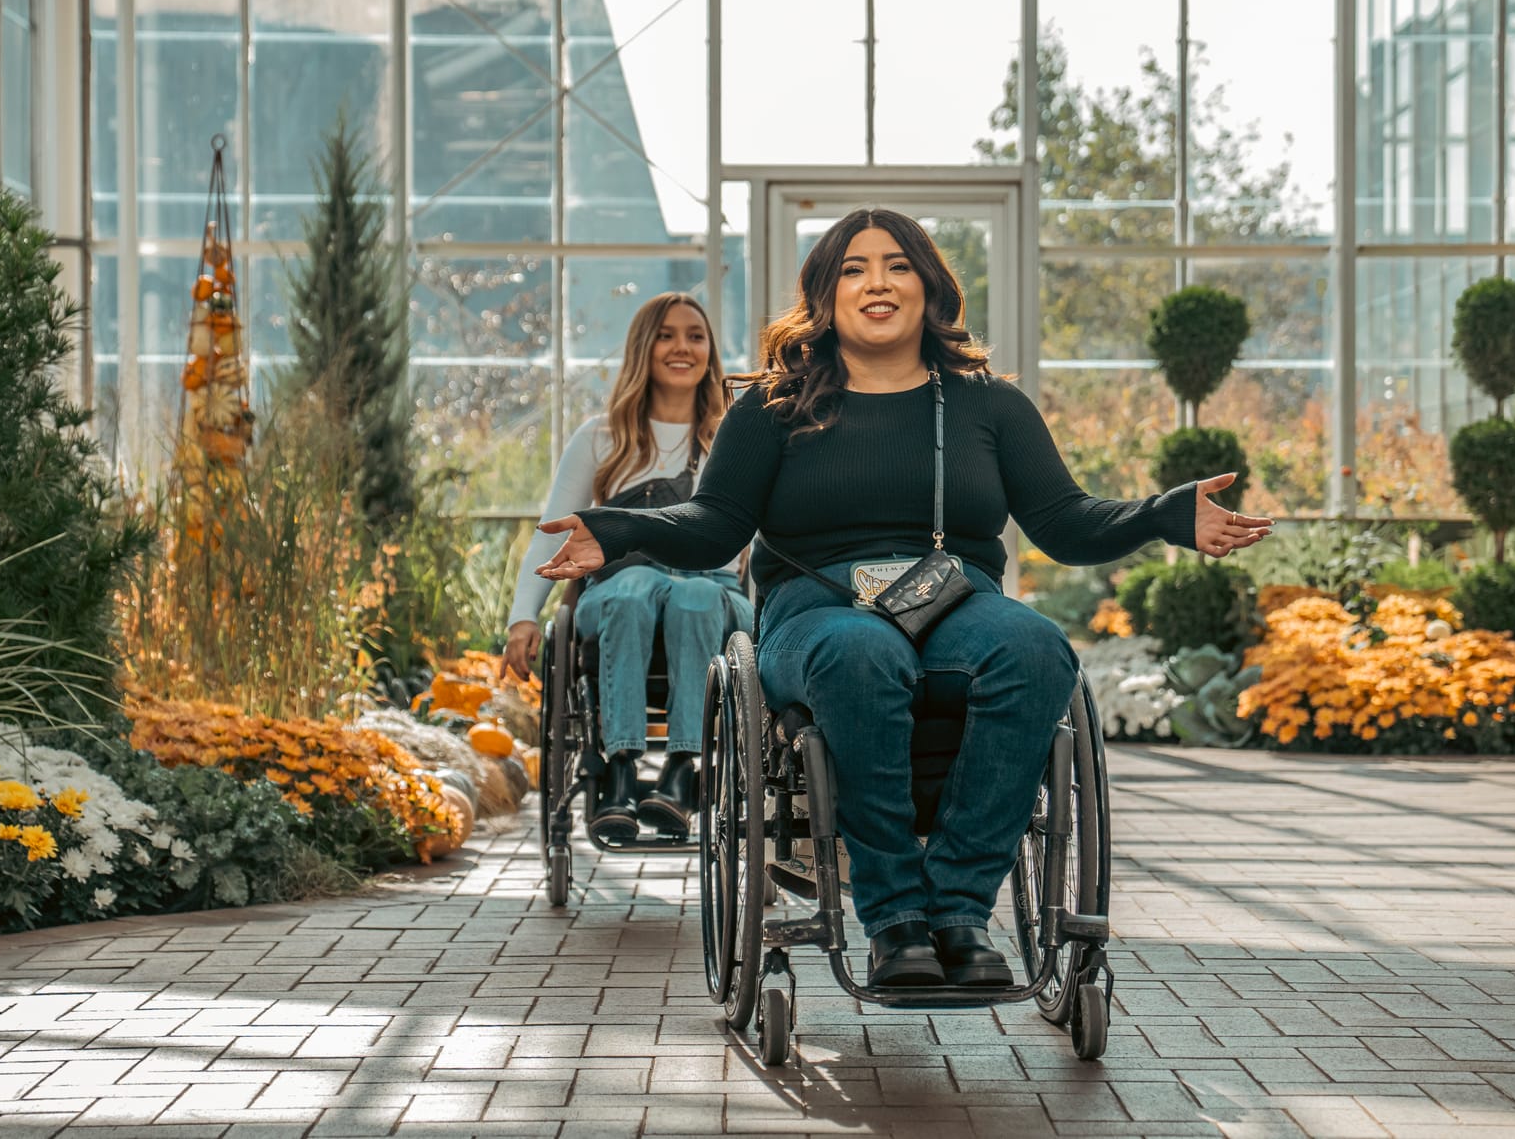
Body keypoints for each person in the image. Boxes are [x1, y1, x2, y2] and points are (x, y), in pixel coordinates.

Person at [535, 208, 1271, 988]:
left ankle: (957, 909)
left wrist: (1164, 514)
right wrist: (613, 530)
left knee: (1034, 647)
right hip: (815, 616)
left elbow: (1064, 522)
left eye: (897, 265)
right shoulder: (771, 408)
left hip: (954, 604)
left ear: (929, 286)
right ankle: (894, 920)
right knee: (863, 651)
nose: (877, 282)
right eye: (853, 268)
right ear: (825, 293)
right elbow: (714, 525)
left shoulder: (990, 405)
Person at [503, 292, 753, 845]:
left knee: (693, 596)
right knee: (636, 583)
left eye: (695, 335)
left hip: (712, 593)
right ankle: (618, 770)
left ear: (710, 351)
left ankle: (682, 771)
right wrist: (524, 616)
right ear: (644, 347)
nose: (682, 346)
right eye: (666, 335)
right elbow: (555, 533)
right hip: (620, 595)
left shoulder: (735, 436)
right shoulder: (601, 437)